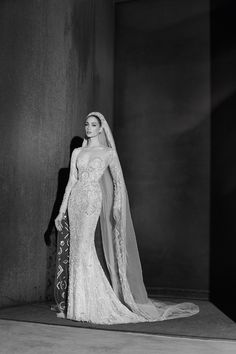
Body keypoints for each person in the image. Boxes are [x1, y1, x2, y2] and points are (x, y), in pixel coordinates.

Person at [54, 112, 199, 324]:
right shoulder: (78, 151)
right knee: (76, 250)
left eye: (93, 125)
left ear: (101, 128)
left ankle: (95, 304)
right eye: (86, 124)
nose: (89, 128)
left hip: (93, 200)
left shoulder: (108, 153)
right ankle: (78, 306)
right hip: (75, 200)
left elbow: (118, 183)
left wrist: (117, 205)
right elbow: (71, 181)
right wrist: (61, 210)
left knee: (85, 248)